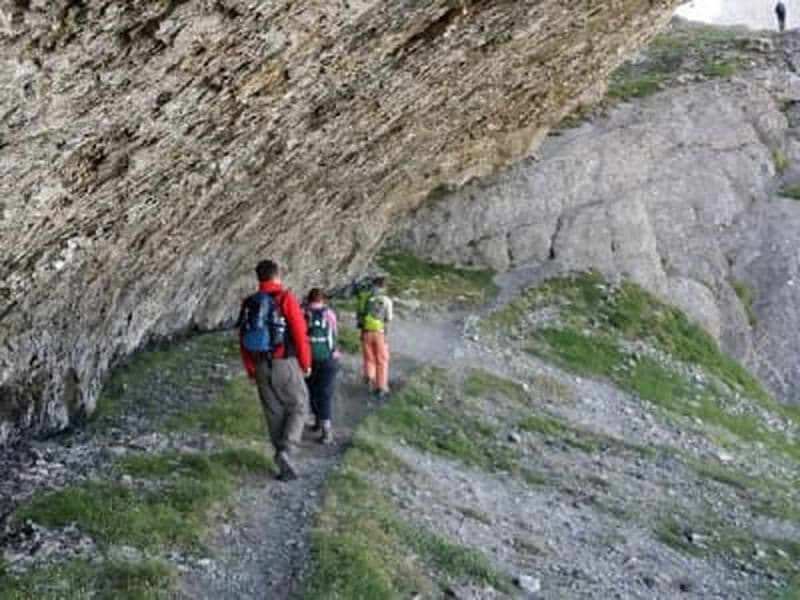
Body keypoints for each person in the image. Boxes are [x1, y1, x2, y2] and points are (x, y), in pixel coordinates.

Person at [238, 259, 311, 481]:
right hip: (284, 362)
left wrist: (250, 368)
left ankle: (281, 463)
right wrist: (306, 363)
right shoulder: (285, 298)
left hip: (260, 364)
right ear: (277, 275)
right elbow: (300, 333)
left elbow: (242, 338)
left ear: (258, 278)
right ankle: (287, 451)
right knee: (299, 405)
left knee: (274, 413)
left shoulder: (250, 302)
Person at [304, 288, 340, 444]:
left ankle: (317, 420)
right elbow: (334, 334)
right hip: (329, 359)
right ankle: (326, 430)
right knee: (325, 393)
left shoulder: (303, 313)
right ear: (323, 300)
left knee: (311, 390)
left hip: (309, 359)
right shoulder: (329, 314)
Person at [357, 276, 393, 399]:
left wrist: (362, 331)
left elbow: (360, 314)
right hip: (380, 333)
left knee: (369, 357)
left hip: (366, 331)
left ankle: (369, 378)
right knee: (382, 360)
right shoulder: (386, 300)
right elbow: (388, 319)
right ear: (384, 287)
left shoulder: (365, 297)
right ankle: (381, 387)